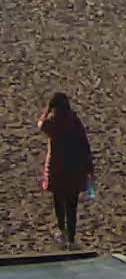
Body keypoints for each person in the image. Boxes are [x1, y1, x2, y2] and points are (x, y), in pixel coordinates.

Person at [37, 93, 93, 250]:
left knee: (58, 201)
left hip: (57, 168)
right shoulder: (74, 121)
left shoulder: (52, 123)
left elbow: (40, 124)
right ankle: (72, 238)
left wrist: (46, 111)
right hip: (74, 168)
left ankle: (62, 231)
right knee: (72, 204)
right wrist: (88, 166)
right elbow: (84, 143)